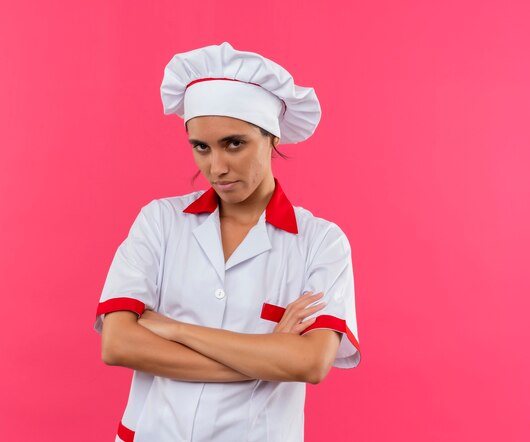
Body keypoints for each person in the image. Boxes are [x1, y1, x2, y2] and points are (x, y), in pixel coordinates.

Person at [94, 41, 361, 442]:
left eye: (234, 143)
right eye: (201, 147)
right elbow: (117, 344)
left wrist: (175, 329)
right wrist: (267, 355)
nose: (216, 168)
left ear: (272, 138)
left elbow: (309, 363)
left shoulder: (321, 243)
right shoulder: (160, 222)